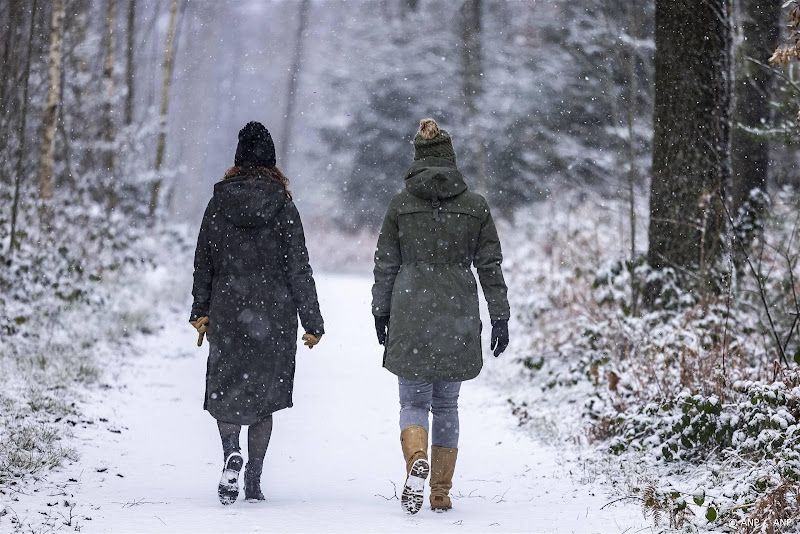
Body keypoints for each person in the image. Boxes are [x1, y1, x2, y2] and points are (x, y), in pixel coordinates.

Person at [371, 118, 510, 514]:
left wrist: (381, 311)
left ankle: (416, 457)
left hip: (411, 308)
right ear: (451, 160)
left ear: (418, 158)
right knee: (447, 405)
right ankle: (440, 492)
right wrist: (499, 315)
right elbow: (490, 265)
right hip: (457, 312)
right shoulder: (475, 205)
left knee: (412, 400)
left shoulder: (401, 204)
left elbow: (385, 264)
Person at [190, 121, 324, 505]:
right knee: (264, 397)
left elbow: (204, 263)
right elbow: (299, 266)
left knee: (228, 387)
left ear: (237, 159)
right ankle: (253, 480)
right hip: (274, 314)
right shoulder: (283, 206)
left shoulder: (218, 204)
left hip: (229, 308)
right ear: (272, 161)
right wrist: (312, 321)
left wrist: (200, 310)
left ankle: (231, 451)